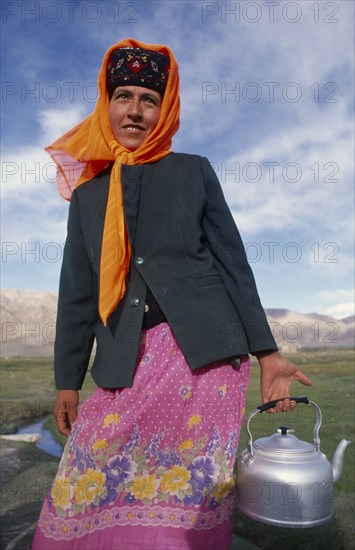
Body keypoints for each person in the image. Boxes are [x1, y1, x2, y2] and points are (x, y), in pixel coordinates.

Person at [32, 38, 312, 550]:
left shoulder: (194, 172)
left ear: (166, 108)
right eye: (124, 96)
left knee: (187, 492)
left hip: (205, 357)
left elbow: (234, 264)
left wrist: (267, 352)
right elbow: (76, 292)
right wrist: (66, 382)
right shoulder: (89, 196)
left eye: (148, 99)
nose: (135, 111)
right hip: (122, 357)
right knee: (84, 477)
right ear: (106, 103)